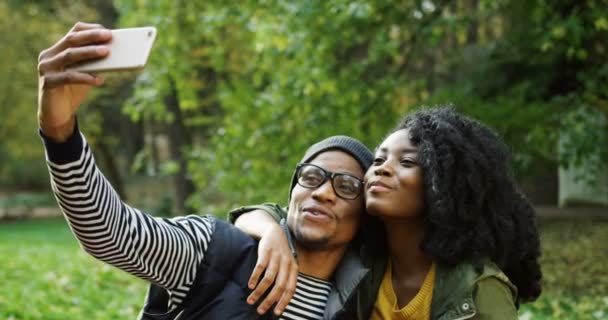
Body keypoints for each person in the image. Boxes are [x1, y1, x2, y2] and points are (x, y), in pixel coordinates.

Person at [37, 22, 376, 319]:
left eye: (346, 186)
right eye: (312, 177)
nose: (323, 191)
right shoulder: (214, 250)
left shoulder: (364, 305)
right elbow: (110, 233)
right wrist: (60, 132)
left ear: (364, 214)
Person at [232, 106, 543, 319]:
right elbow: (272, 213)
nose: (381, 171)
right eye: (378, 161)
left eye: (406, 163)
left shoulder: (476, 288)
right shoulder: (362, 256)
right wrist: (272, 232)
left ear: (443, 183)